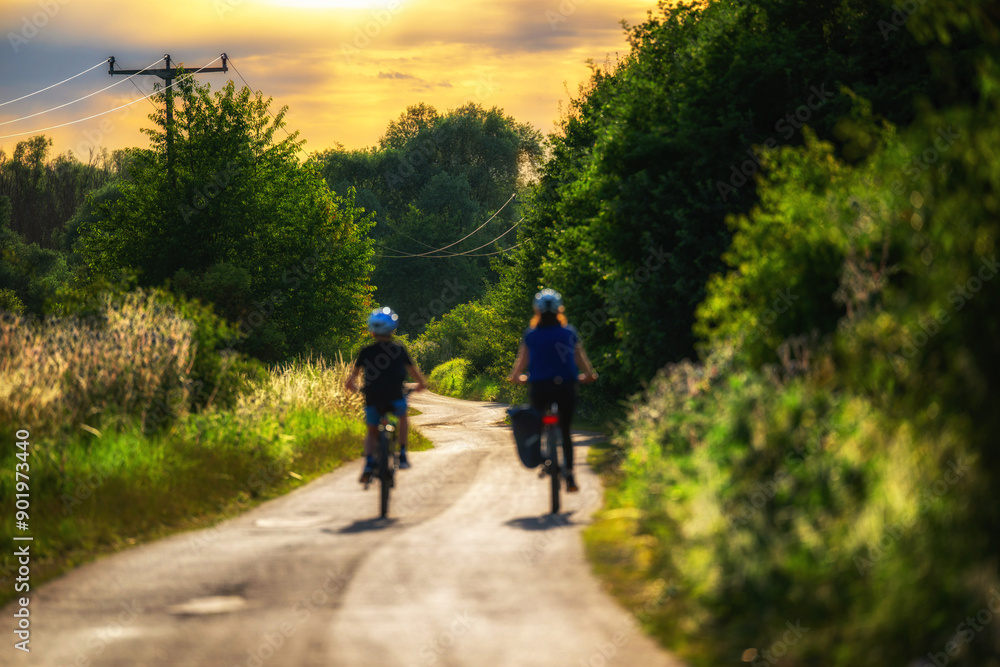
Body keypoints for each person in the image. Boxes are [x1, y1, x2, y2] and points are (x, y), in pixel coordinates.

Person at [507, 288, 597, 492]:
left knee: (537, 422)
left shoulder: (531, 335)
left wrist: (515, 378)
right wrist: (589, 375)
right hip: (565, 387)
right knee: (565, 431)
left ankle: (543, 457)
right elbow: (580, 360)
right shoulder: (569, 332)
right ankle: (571, 476)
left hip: (540, 388)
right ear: (559, 310)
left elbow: (521, 363)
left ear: (536, 311)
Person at [345, 306, 426, 484]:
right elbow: (414, 372)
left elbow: (351, 380)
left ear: (372, 331)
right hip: (395, 397)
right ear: (392, 330)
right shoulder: (399, 349)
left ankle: (368, 463)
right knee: (403, 418)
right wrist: (421, 384)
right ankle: (403, 454)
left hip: (372, 397)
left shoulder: (365, 351)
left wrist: (354, 387)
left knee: (371, 432)